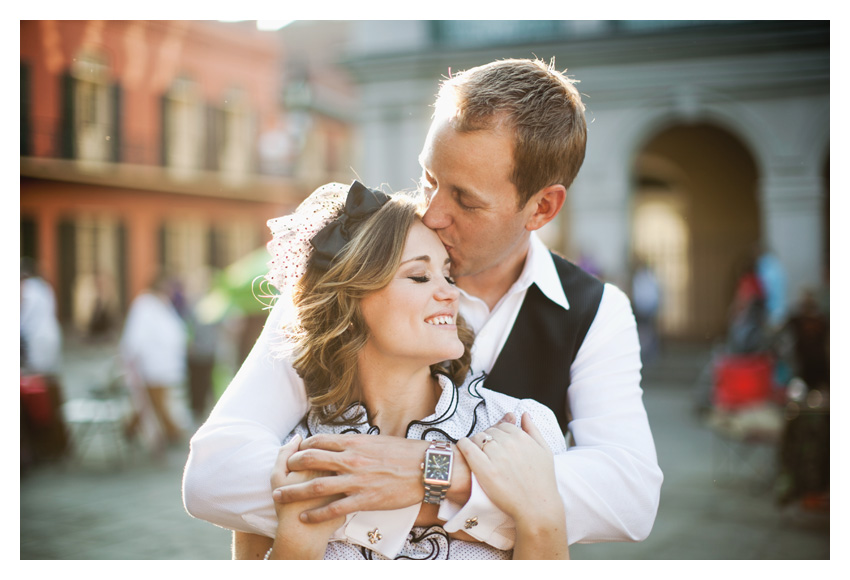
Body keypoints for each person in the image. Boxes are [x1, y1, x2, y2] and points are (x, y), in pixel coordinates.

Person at [183, 58, 662, 553]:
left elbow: (629, 498)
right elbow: (215, 475)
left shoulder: (597, 312)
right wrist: (479, 504)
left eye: (465, 200)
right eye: (429, 178)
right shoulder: (347, 277)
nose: (431, 213)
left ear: (542, 207)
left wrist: (428, 472)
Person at [232, 181, 568, 559]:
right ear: (350, 298)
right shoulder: (288, 455)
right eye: (420, 277)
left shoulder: (519, 428)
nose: (451, 293)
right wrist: (300, 540)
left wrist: (541, 516)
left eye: (448, 275)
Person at [120, 275, 188, 449]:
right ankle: (171, 432)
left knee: (148, 403)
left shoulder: (161, 305)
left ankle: (131, 430)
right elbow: (135, 337)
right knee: (155, 402)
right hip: (152, 365)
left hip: (163, 365)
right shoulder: (145, 306)